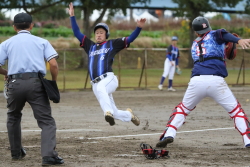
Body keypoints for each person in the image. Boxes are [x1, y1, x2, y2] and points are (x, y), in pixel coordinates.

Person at [156, 16, 250, 148]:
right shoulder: (214, 34)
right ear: (208, 27)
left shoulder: (194, 44)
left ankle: (169, 134)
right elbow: (223, 34)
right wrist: (238, 40)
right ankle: (248, 140)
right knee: (236, 111)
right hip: (216, 81)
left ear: (195, 32)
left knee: (182, 109)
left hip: (197, 81)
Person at [0, 13, 64, 165]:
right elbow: (53, 64)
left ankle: (16, 152)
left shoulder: (6, 44)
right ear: (31, 25)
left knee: (13, 116)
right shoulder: (41, 42)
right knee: (46, 121)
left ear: (14, 27)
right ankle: (48, 156)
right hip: (36, 83)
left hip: (14, 83)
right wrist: (53, 82)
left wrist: (7, 73)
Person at [68, 3, 146, 126]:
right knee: (114, 112)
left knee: (103, 94)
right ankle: (128, 115)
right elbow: (77, 32)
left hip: (108, 79)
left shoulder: (112, 44)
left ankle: (107, 113)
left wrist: (139, 28)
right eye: (97, 32)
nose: (98, 34)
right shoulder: (90, 46)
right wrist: (72, 16)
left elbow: (129, 39)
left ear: (106, 35)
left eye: (101, 32)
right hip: (95, 83)